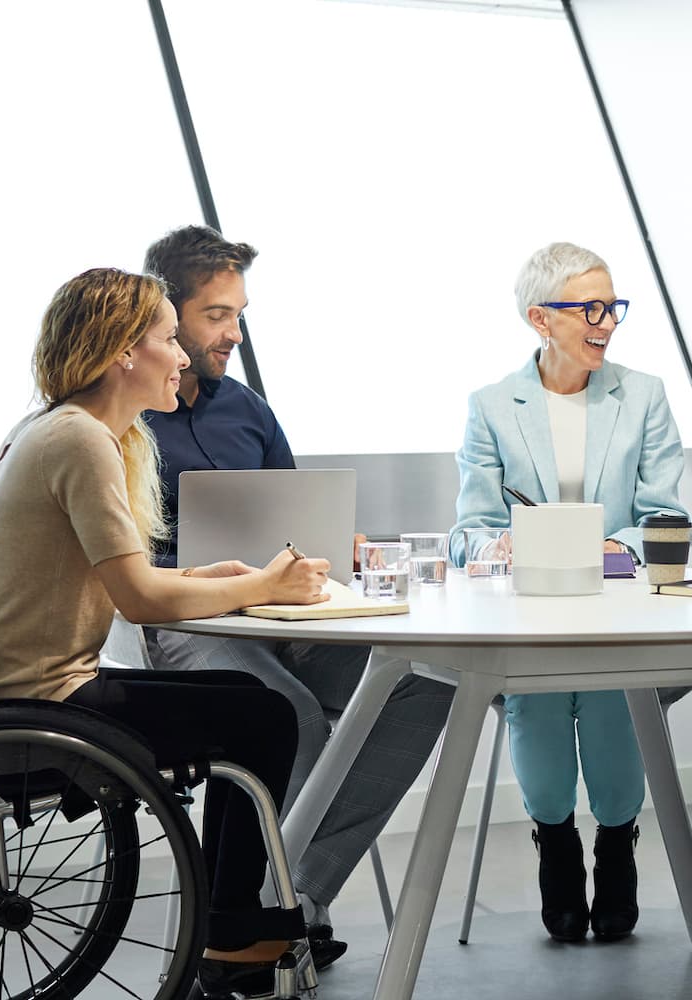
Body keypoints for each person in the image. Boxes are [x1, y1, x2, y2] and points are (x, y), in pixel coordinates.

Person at [0, 267, 332, 999]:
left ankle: (229, 919)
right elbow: (139, 600)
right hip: (47, 703)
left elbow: (124, 581)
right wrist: (265, 585)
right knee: (265, 713)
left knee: (244, 706)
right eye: (168, 339)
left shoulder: (51, 429)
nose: (184, 356)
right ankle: (230, 923)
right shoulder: (82, 441)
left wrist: (218, 576)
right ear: (125, 351)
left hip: (12, 692)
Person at [135, 225, 453, 969]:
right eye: (216, 315)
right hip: (189, 621)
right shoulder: (127, 413)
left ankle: (295, 894)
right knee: (288, 713)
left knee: (424, 680)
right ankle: (252, 915)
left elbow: (297, 518)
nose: (233, 333)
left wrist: (350, 551)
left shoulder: (247, 408)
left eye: (239, 314)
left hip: (283, 614)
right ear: (167, 313)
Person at [450, 242, 686, 943]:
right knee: (541, 712)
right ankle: (555, 841)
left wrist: (622, 546)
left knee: (614, 712)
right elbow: (472, 528)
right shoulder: (492, 406)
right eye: (589, 308)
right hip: (530, 610)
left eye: (612, 306)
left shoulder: (643, 395)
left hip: (616, 606)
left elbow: (663, 516)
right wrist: (499, 545)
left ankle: (617, 845)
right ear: (539, 319)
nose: (606, 321)